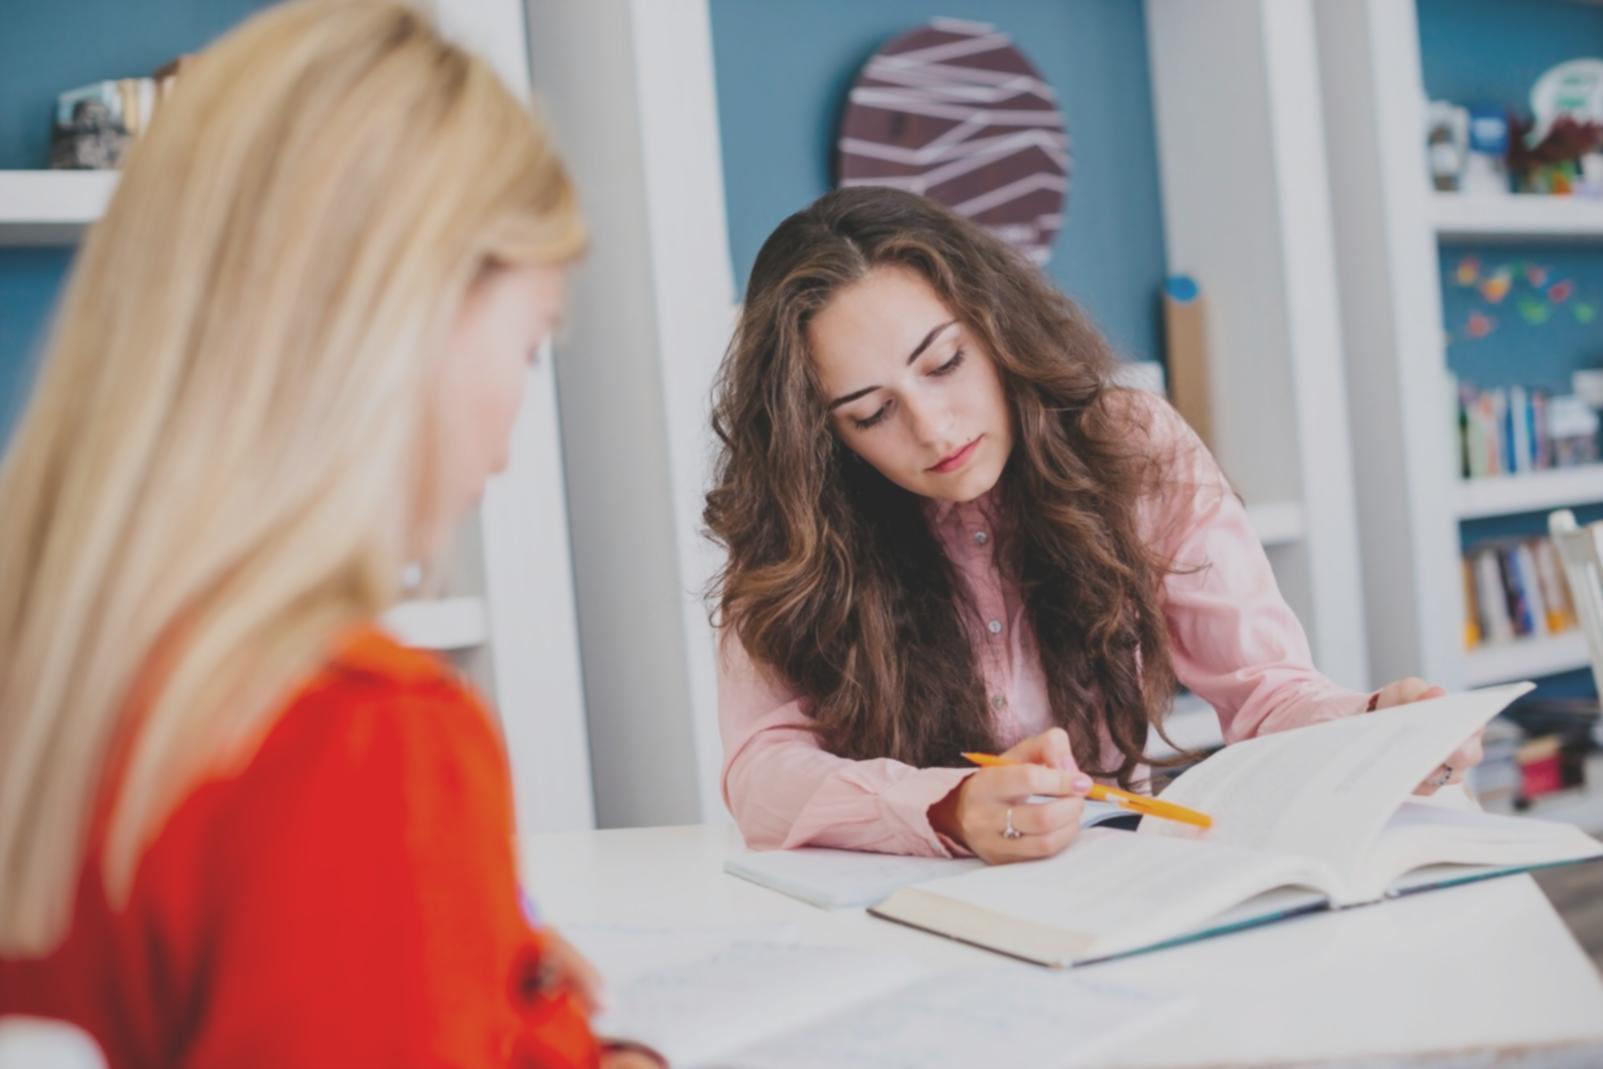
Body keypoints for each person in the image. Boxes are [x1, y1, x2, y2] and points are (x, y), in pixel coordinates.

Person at [0, 3, 655, 1065]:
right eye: (530, 345)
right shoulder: (359, 738)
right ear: (409, 316)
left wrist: (447, 955)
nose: (509, 430)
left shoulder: (60, 670)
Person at [705, 186, 1478, 865]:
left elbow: (1265, 692)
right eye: (872, 413)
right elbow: (762, 772)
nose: (934, 430)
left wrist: (1373, 730)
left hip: (1108, 879)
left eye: (945, 364)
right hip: (891, 903)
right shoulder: (799, 522)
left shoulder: (1130, 444)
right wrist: (945, 809)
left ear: (994, 323)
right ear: (824, 435)